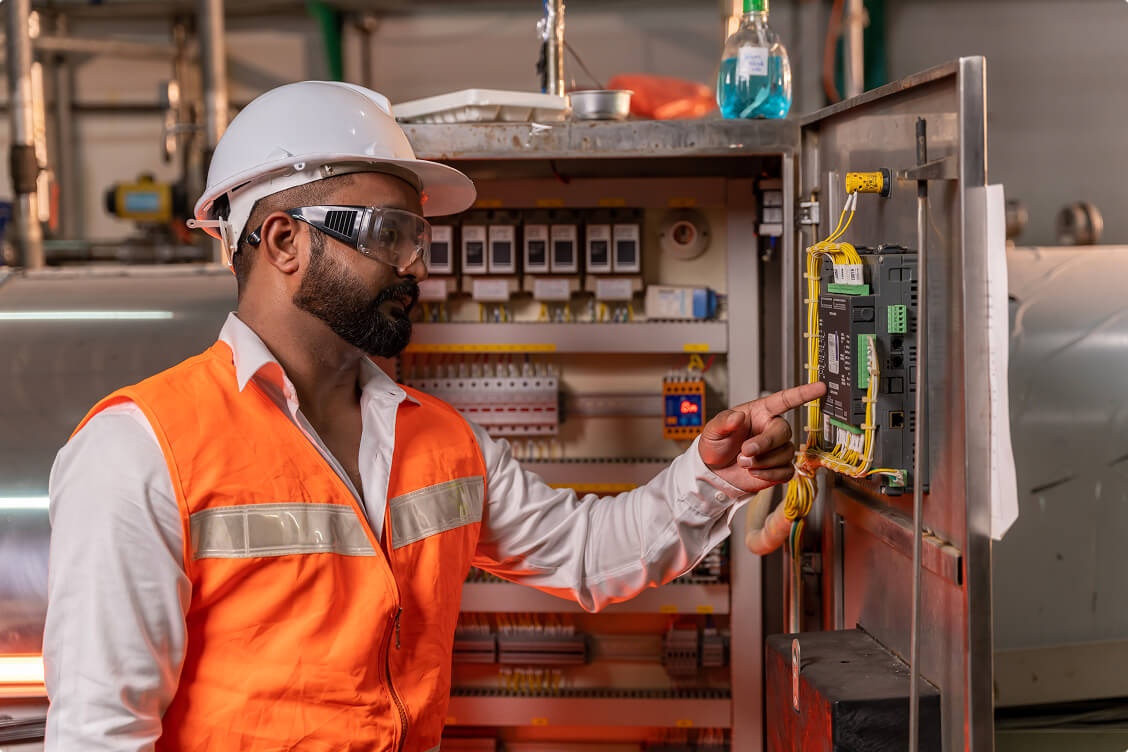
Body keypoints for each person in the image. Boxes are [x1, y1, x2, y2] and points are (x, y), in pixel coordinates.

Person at [43, 81, 826, 751]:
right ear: (283, 240)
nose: (416, 264)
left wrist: (711, 479)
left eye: (418, 235)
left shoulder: (438, 439)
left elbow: (588, 556)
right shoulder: (143, 450)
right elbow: (100, 733)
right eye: (389, 234)